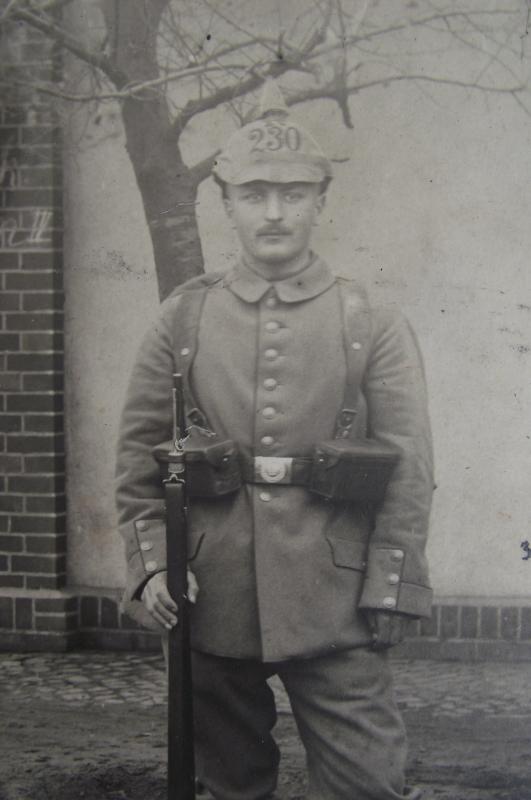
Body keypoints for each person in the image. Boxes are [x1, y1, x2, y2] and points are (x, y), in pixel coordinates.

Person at [115, 81, 434, 800]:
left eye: (292, 194)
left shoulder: (369, 318)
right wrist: (151, 569)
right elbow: (137, 457)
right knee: (227, 786)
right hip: (212, 594)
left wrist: (389, 586)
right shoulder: (183, 316)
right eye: (253, 193)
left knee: (366, 785)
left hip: (337, 595)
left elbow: (410, 467)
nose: (273, 211)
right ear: (224, 202)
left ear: (320, 201)